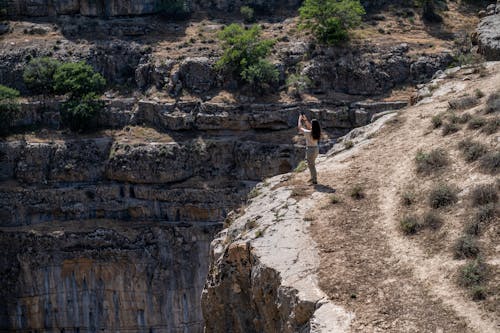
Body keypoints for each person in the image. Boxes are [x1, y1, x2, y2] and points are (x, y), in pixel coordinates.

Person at [298, 114, 321, 184]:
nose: (310, 124)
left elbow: (300, 127)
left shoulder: (308, 133)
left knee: (311, 165)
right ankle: (312, 177)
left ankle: (314, 180)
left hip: (310, 150)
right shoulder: (317, 132)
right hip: (316, 149)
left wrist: (299, 119)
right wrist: (305, 120)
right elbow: (309, 127)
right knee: (312, 164)